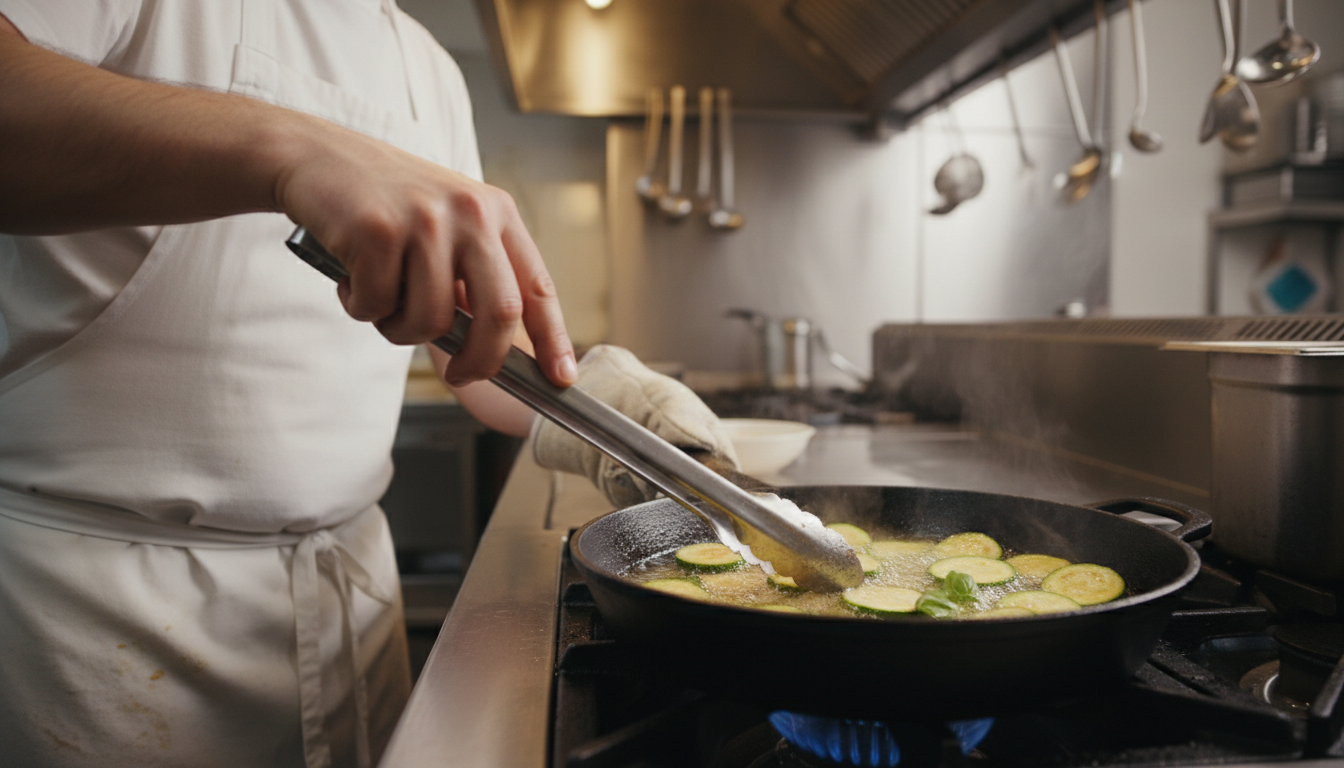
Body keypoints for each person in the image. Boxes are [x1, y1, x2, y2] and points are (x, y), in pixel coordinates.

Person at [0, 2, 736, 767]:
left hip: (348, 605)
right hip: (95, 627)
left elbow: (479, 360)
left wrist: (607, 401)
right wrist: (293, 149)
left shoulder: (429, 67)